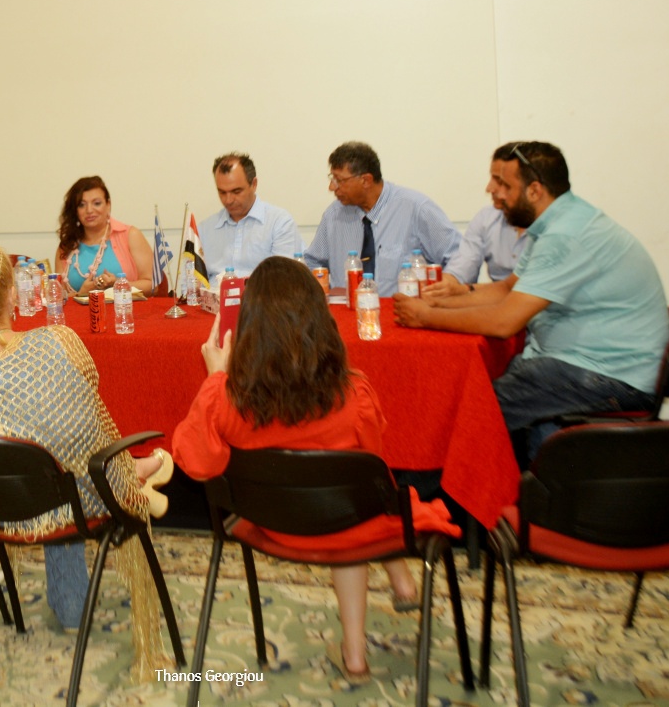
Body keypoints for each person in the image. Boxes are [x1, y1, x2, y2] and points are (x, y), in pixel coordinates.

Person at [171, 256, 458, 682]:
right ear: (320, 323)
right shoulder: (355, 393)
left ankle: (383, 608)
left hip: (270, 524)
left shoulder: (226, 399)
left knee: (349, 508)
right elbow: (372, 472)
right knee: (358, 509)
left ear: (247, 328)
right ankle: (358, 649)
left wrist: (215, 379)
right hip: (349, 525)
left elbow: (195, 464)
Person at [0, 242, 171, 674]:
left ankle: (72, 602)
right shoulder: (55, 342)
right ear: (11, 294)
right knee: (62, 451)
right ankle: (131, 473)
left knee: (39, 456)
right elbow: (88, 414)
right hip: (67, 505)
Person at [393, 142, 669, 465]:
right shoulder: (558, 223)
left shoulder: (564, 235)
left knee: (471, 411)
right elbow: (506, 290)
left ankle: (413, 489)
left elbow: (504, 322)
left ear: (535, 190)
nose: (491, 189)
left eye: (502, 183)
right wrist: (440, 302)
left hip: (610, 374)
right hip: (587, 362)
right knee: (474, 392)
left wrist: (425, 317)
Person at [305, 142, 460, 296]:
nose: (332, 187)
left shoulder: (417, 209)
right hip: (346, 309)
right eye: (332, 179)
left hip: (403, 308)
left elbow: (458, 259)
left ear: (366, 180)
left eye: (339, 180)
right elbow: (313, 262)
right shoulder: (334, 215)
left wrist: (439, 293)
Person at [200, 152, 301, 282]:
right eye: (222, 192)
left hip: (261, 294)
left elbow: (285, 280)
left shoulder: (279, 223)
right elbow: (190, 283)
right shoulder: (204, 229)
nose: (228, 200)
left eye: (236, 191)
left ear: (254, 184)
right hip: (214, 294)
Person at [55, 176, 156, 297]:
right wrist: (81, 294)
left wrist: (118, 285)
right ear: (75, 210)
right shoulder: (66, 245)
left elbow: (153, 286)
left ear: (108, 205)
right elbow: (57, 296)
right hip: (78, 309)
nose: (89, 210)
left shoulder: (130, 235)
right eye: (81, 205)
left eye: (97, 203)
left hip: (125, 308)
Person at [422, 197, 528, 298]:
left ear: (532, 190)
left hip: (526, 303)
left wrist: (465, 289)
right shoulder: (486, 217)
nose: (489, 188)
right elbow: (464, 263)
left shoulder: (538, 230)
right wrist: (443, 286)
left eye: (505, 186)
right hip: (493, 300)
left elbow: (511, 289)